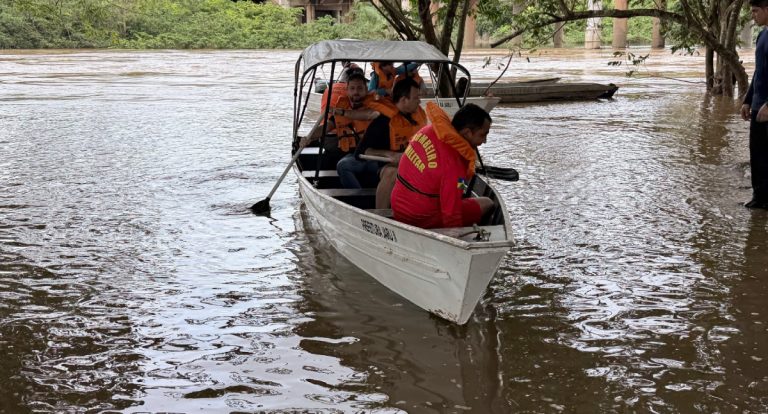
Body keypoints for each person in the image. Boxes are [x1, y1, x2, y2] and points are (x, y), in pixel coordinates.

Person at [391, 102, 495, 229]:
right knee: (487, 203)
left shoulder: (429, 130)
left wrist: (457, 190)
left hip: (398, 208)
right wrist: (455, 238)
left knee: (455, 190)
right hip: (419, 217)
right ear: (468, 133)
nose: (485, 141)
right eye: (483, 135)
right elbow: (451, 213)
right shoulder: (455, 163)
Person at [355, 77, 427, 209]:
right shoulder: (382, 121)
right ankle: (381, 215)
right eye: (416, 98)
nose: (419, 101)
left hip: (417, 164)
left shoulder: (419, 117)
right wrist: (390, 155)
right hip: (386, 167)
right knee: (392, 173)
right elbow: (361, 151)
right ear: (404, 100)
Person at [741, 0, 768, 209]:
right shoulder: (762, 35)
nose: (753, 15)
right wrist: (748, 100)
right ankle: (760, 197)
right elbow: (758, 72)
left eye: (756, 11)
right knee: (756, 154)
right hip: (759, 105)